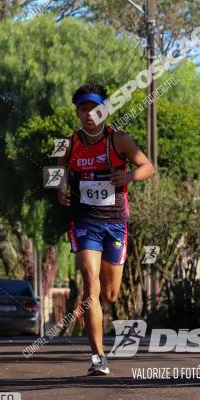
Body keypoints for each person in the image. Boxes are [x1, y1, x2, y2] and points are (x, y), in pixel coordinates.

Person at [57, 84, 154, 376]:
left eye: (94, 108)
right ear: (77, 113)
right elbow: (59, 169)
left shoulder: (119, 140)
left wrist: (129, 175)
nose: (88, 114)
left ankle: (104, 315)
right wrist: (60, 187)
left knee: (110, 293)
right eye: (82, 109)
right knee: (90, 285)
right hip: (85, 221)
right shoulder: (70, 143)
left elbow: (148, 166)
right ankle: (98, 357)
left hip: (115, 222)